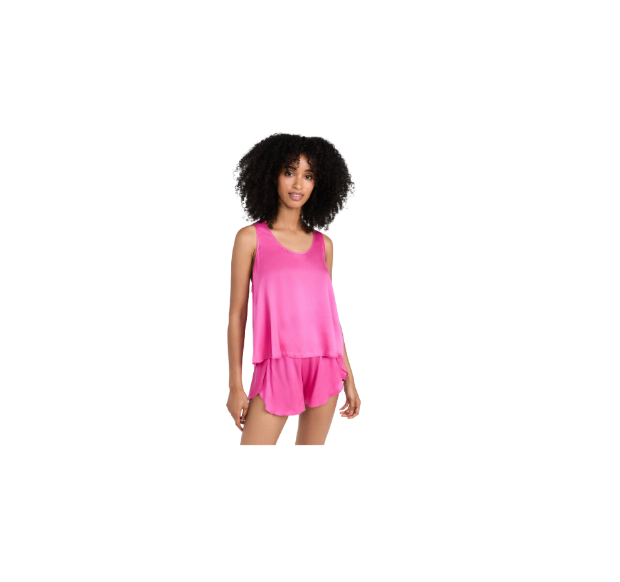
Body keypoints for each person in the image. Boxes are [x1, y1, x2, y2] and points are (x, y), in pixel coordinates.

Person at [227, 133, 360, 445]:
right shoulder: (250, 238)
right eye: (289, 172)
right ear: (271, 175)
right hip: (276, 366)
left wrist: (350, 378)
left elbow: (330, 317)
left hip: (325, 366)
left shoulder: (324, 245)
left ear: (318, 184)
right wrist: (235, 385)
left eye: (308, 175)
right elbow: (237, 315)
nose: (298, 184)